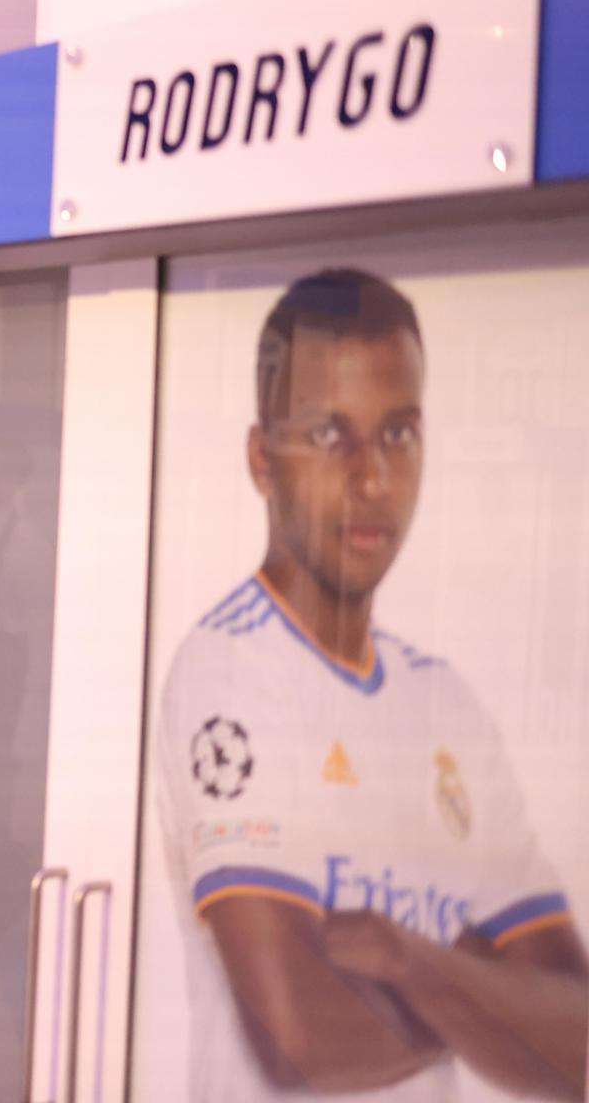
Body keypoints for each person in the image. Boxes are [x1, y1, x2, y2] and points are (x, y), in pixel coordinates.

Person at [157, 268, 588, 1100]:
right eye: (329, 436)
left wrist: (406, 960)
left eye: (397, 435)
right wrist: (490, 996)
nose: (371, 479)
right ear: (261, 459)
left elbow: (577, 1045)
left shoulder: (445, 705)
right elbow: (304, 1039)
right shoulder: (229, 673)